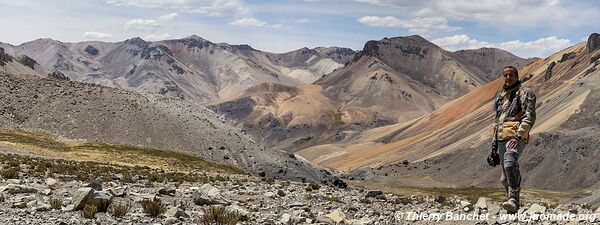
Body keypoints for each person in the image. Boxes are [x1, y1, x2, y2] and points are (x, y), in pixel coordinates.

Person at [491, 66, 536, 213]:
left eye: (511, 75)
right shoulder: (501, 97)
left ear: (517, 76)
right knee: (504, 178)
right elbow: (497, 122)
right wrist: (493, 147)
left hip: (515, 135)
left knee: (510, 163)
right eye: (505, 75)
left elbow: (529, 116)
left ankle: (513, 200)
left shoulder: (525, 93)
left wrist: (519, 136)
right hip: (501, 137)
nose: (508, 77)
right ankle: (511, 205)